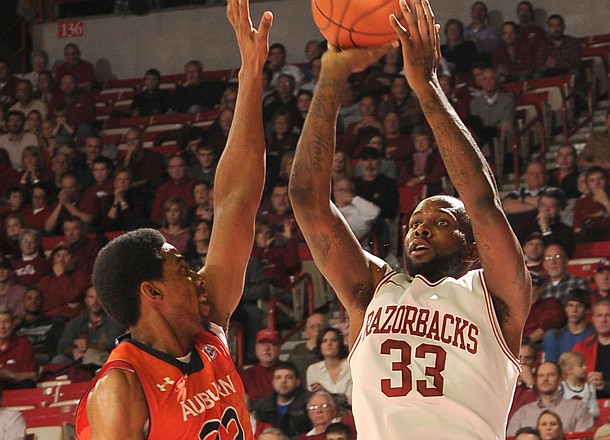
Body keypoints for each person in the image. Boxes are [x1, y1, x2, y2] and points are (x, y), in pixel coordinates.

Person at [289, 1, 531, 437]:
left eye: (440, 222)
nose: (419, 226)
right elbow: (308, 201)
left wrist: (426, 86)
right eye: (417, 220)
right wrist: (332, 74)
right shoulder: (373, 289)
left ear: (471, 247)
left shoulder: (494, 296)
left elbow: (481, 201)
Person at [75, 0, 272, 436]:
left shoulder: (207, 325)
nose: (199, 277)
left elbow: (237, 201)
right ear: (152, 291)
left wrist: (251, 76)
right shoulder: (121, 386)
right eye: (182, 268)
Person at [507, 361, 594, 435]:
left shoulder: (578, 408)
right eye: (541, 375)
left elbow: (583, 437)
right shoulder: (523, 412)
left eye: (551, 375)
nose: (545, 379)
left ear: (560, 378)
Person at [52, 286, 124, 365]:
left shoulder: (114, 321)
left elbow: (114, 345)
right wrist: (73, 351)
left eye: (99, 297)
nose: (95, 302)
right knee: (58, 359)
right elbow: (62, 345)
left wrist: (89, 346)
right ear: (85, 300)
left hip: (104, 361)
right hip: (78, 362)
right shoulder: (77, 321)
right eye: (91, 297)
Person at [253, 361, 312, 438]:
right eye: (278, 377)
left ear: (297, 382)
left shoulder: (309, 402)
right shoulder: (262, 406)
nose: (283, 381)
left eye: (289, 377)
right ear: (273, 382)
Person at [14, 287, 64, 365]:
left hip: (44, 358)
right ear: (23, 303)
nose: (33, 301)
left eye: (37, 299)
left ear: (43, 303)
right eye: (29, 298)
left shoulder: (54, 323)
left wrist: (50, 356)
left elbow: (61, 346)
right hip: (19, 359)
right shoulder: (16, 326)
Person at [543, 289, 594, 363]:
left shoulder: (594, 334)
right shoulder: (554, 336)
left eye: (579, 306)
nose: (574, 310)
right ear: (566, 309)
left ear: (586, 310)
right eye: (570, 305)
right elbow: (551, 366)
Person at [573, 299, 610, 399]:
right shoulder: (581, 348)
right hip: (587, 404)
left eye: (608, 315)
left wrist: (605, 386)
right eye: (599, 316)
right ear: (593, 319)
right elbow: (569, 380)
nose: (603, 320)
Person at [306, 327, 352, 404]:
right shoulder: (313, 370)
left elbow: (351, 400)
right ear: (320, 346)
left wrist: (326, 393)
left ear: (340, 344)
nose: (329, 344)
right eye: (324, 341)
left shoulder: (352, 366)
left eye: (333, 340)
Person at [0, 305, 37, 389]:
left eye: (6, 322)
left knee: (27, 384)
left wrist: (7, 374)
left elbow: (32, 377)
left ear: (13, 324)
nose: (2, 327)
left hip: (16, 389)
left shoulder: (23, 344)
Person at [241, 328, 282, 404]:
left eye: (272, 344)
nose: (266, 348)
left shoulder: (289, 373)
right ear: (256, 348)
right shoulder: (246, 375)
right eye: (262, 343)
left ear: (279, 348)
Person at [288, 313, 329, 382]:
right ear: (306, 331)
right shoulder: (297, 349)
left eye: (321, 326)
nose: (317, 329)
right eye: (312, 326)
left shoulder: (334, 349)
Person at [558, 351, 599, 419]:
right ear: (568, 370)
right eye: (581, 366)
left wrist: (583, 415)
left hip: (585, 425)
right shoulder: (561, 388)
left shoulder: (589, 388)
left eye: (585, 365)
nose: (585, 367)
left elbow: (595, 412)